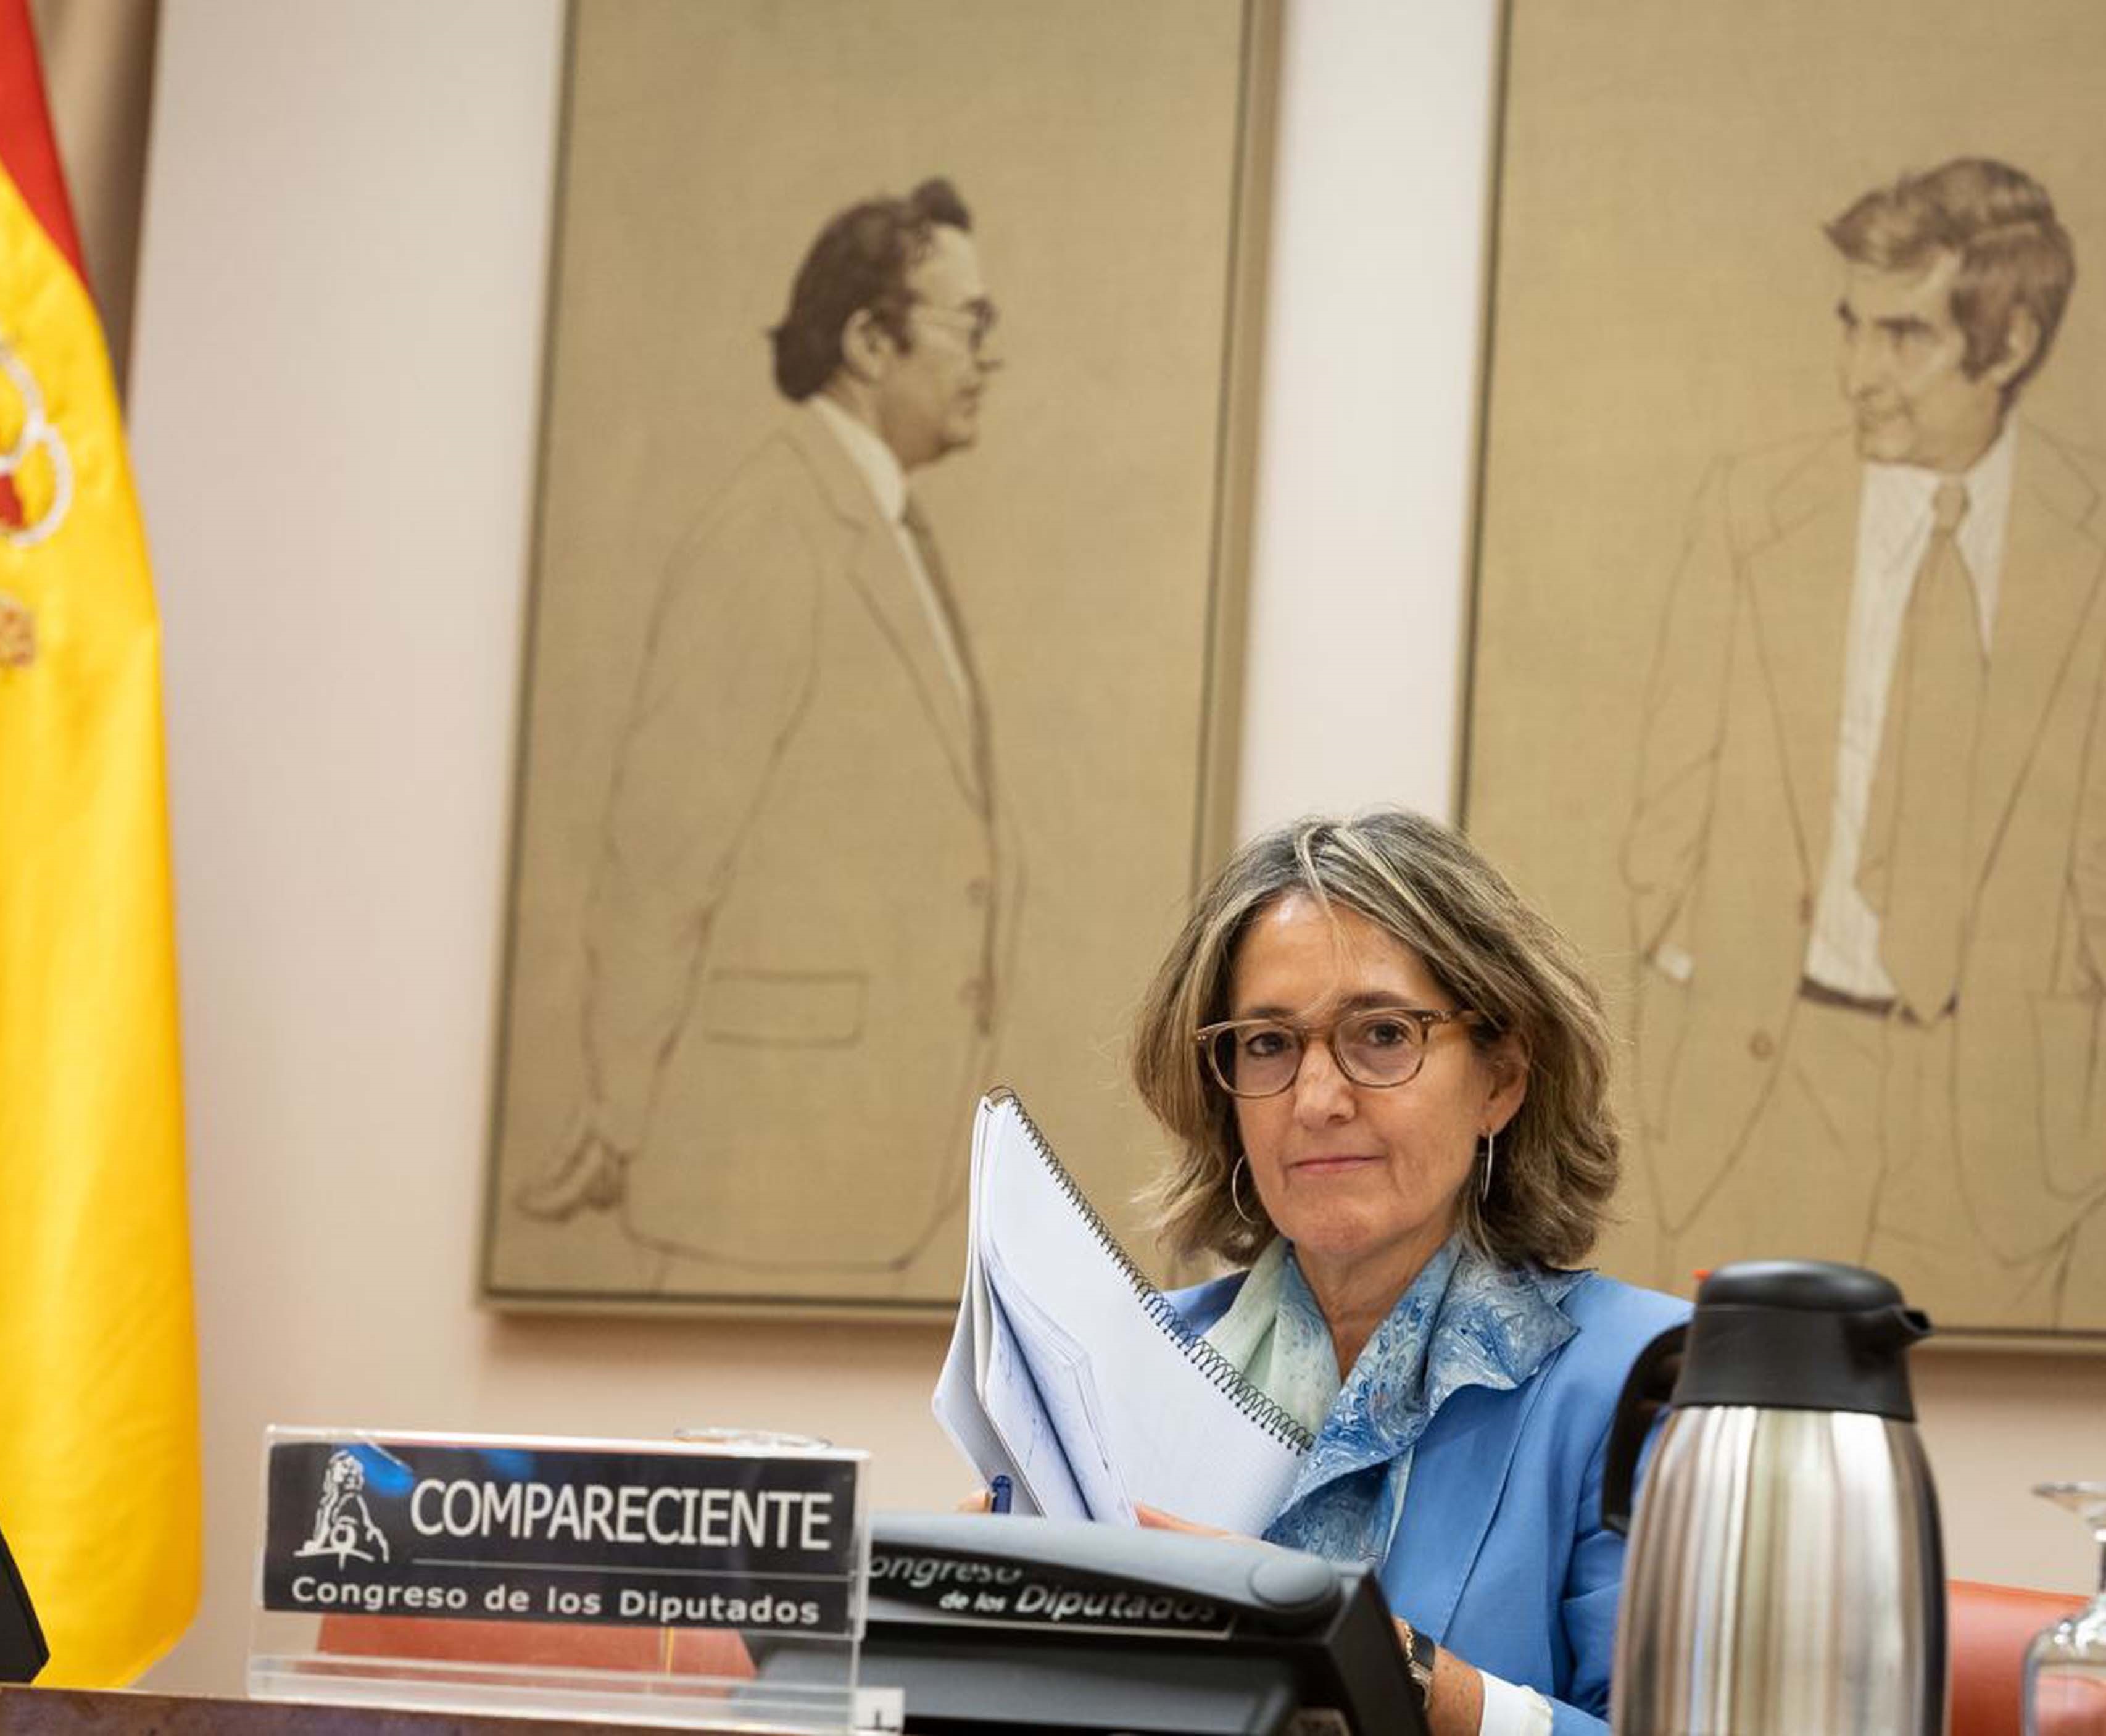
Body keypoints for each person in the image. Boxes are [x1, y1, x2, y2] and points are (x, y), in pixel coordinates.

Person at [513, 177, 1018, 1297]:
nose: (990, 358)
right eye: (968, 326)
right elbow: (661, 848)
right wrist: (620, 1104)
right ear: (871, 341)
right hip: (758, 1173)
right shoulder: (772, 530)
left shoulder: (871, 518)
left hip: (860, 1164)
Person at [1623, 156, 2106, 1325]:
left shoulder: (2090, 538)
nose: (1855, 375)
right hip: (1763, 1086)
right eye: (1851, 326)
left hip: (2006, 1122)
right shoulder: (1752, 512)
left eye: (1903, 338)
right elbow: (1664, 819)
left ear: (2007, 345)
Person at [1131, 810, 1687, 1735]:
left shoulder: (1648, 1379)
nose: (1315, 1100)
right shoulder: (1133, 1356)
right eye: (1267, 1044)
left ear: (1500, 1078)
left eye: (1381, 1034)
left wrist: (1397, 1672)